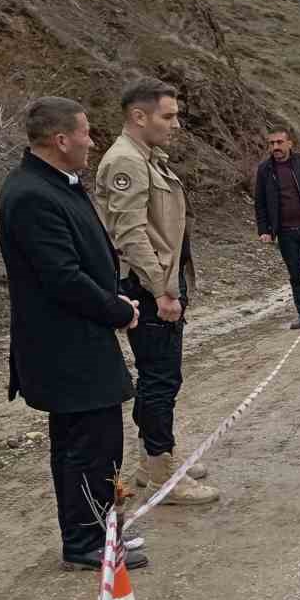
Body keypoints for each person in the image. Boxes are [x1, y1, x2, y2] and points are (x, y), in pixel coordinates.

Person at [0, 97, 147, 570]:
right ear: (61, 140)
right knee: (87, 446)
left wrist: (115, 296)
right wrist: (117, 310)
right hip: (65, 348)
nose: (91, 141)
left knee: (94, 443)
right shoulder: (31, 195)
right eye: (84, 132)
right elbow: (61, 277)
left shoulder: (56, 184)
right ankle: (86, 542)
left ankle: (100, 530)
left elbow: (85, 258)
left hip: (81, 340)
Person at [93, 78, 219, 504]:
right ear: (139, 116)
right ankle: (164, 472)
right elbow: (130, 235)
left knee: (161, 376)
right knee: (160, 379)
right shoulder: (126, 162)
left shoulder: (147, 159)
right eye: (168, 116)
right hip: (149, 286)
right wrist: (162, 290)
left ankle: (153, 459)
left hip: (160, 280)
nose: (176, 124)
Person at [253, 125, 300, 330]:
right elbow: (260, 202)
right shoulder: (265, 170)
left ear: (290, 143)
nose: (275, 147)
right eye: (272, 143)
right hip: (285, 233)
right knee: (296, 275)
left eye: (279, 142)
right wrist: (264, 230)